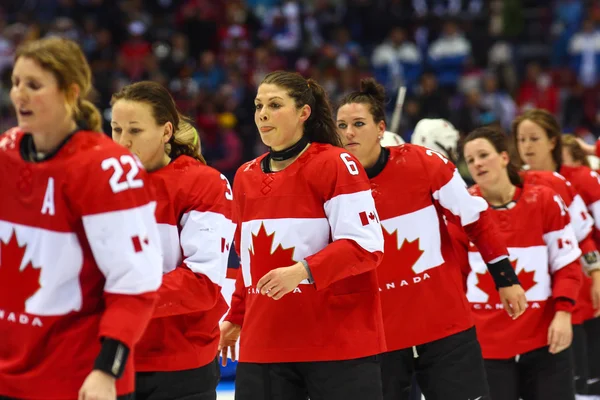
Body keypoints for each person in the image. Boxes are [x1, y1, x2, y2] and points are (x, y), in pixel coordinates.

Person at [335, 78, 527, 400]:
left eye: (358, 123)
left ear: (381, 128)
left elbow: (475, 219)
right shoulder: (331, 182)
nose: (349, 133)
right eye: (341, 125)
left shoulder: (423, 163)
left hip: (445, 327)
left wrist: (505, 277)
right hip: (378, 336)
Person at [0, 37, 163, 400]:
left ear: (70, 92)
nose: (19, 95)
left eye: (34, 85)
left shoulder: (107, 169)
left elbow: (135, 282)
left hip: (79, 378)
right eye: (15, 83)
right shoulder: (5, 153)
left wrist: (108, 369)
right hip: (9, 375)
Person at [219, 71, 386, 400]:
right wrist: (237, 316)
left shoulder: (337, 164)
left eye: (275, 105)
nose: (262, 114)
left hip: (336, 343)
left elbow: (366, 246)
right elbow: (249, 260)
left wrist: (303, 271)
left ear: (303, 112)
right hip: (265, 342)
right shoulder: (245, 176)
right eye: (258, 106)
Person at [111, 81, 236, 400]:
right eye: (115, 129)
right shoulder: (101, 183)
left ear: (166, 132)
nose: (123, 142)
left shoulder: (203, 183)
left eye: (135, 130)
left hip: (179, 366)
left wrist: (122, 300)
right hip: (110, 359)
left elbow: (202, 284)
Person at [451, 126, 582, 400]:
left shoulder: (544, 200)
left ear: (504, 157)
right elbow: (454, 278)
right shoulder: (461, 210)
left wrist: (564, 312)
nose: (476, 164)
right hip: (487, 345)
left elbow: (566, 264)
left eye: (483, 155)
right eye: (470, 159)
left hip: (545, 339)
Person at [513, 109, 600, 397]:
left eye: (534, 138)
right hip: (533, 289)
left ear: (552, 141)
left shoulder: (578, 179)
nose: (526, 146)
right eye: (521, 139)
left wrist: (597, 274)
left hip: (576, 285)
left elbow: (584, 235)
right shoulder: (514, 181)